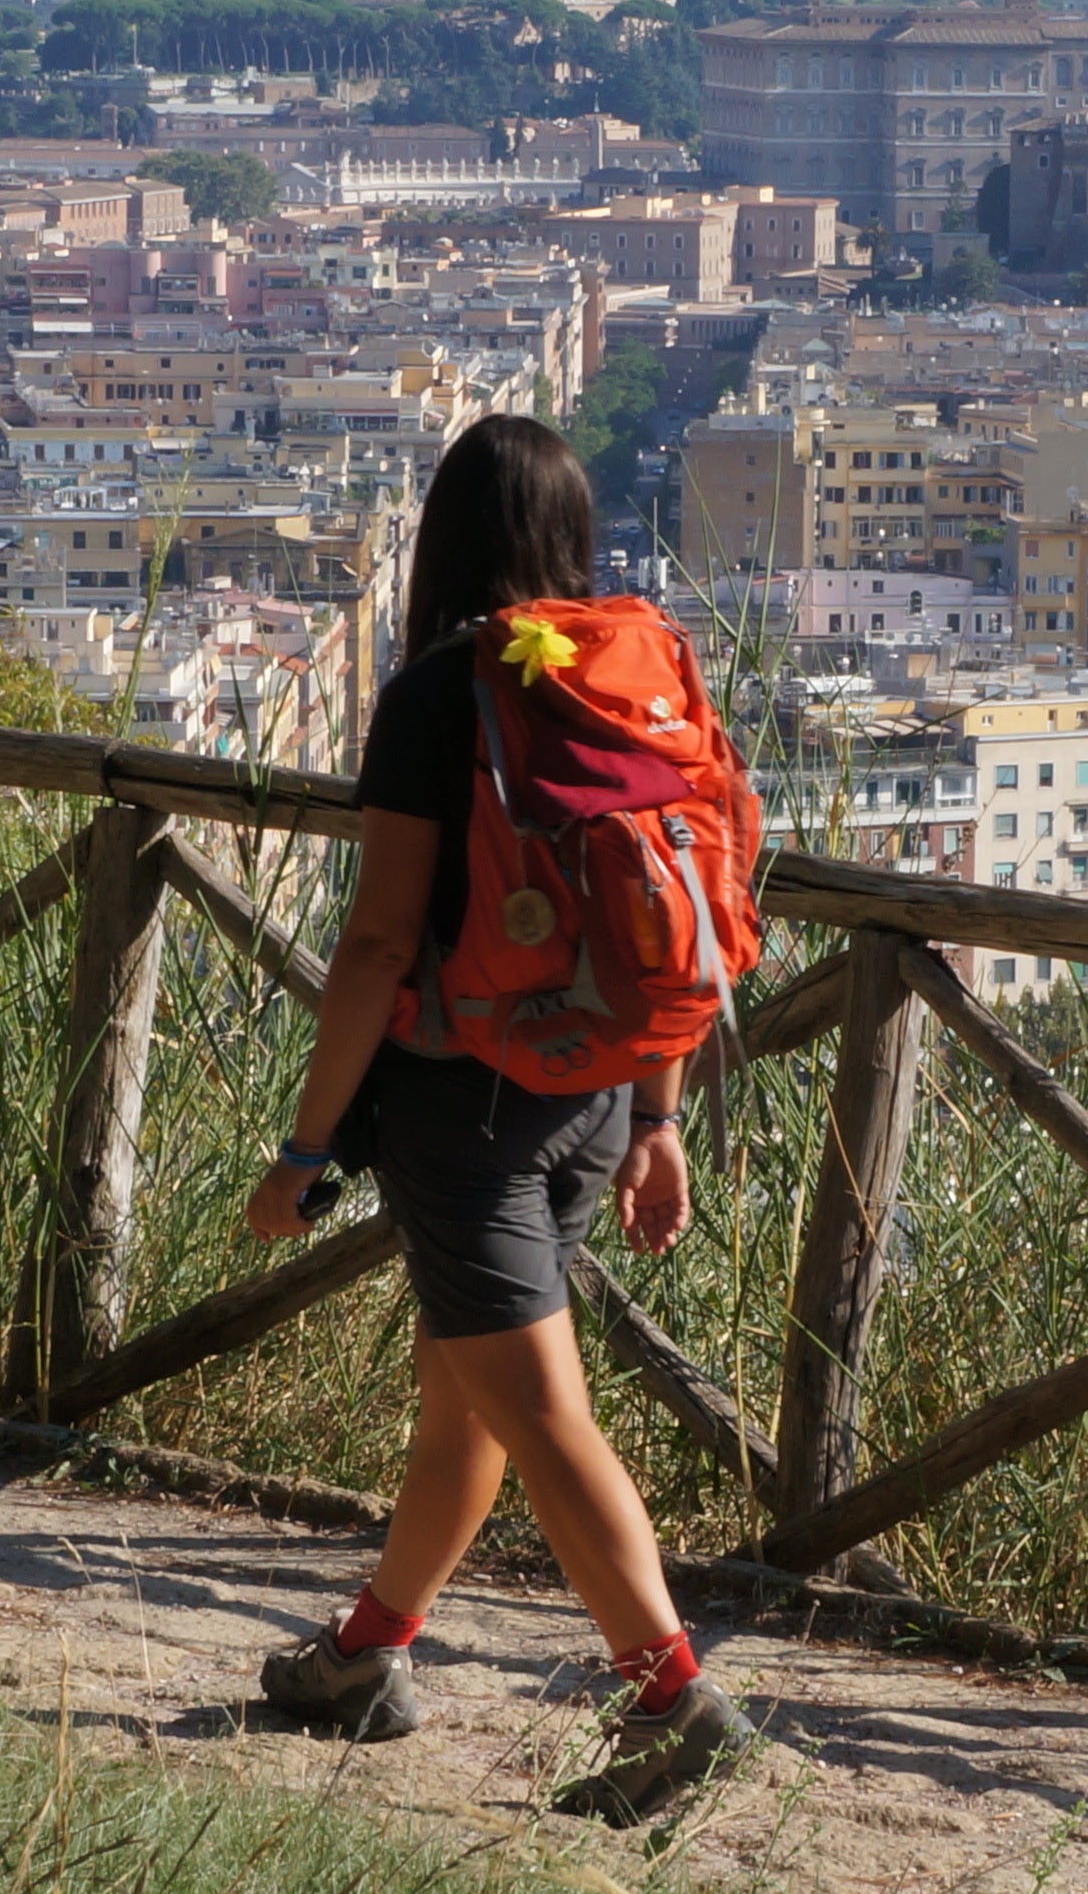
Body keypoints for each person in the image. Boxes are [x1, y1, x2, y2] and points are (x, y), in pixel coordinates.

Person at [241, 413, 754, 1820]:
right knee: (463, 1398)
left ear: (445, 537)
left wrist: (302, 1151)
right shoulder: (632, 675)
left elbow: (377, 946)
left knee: (536, 1412)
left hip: (462, 1105)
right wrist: (658, 1116)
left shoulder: (442, 697)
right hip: (591, 1091)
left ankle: (671, 1700)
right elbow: (670, 904)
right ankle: (364, 1658)